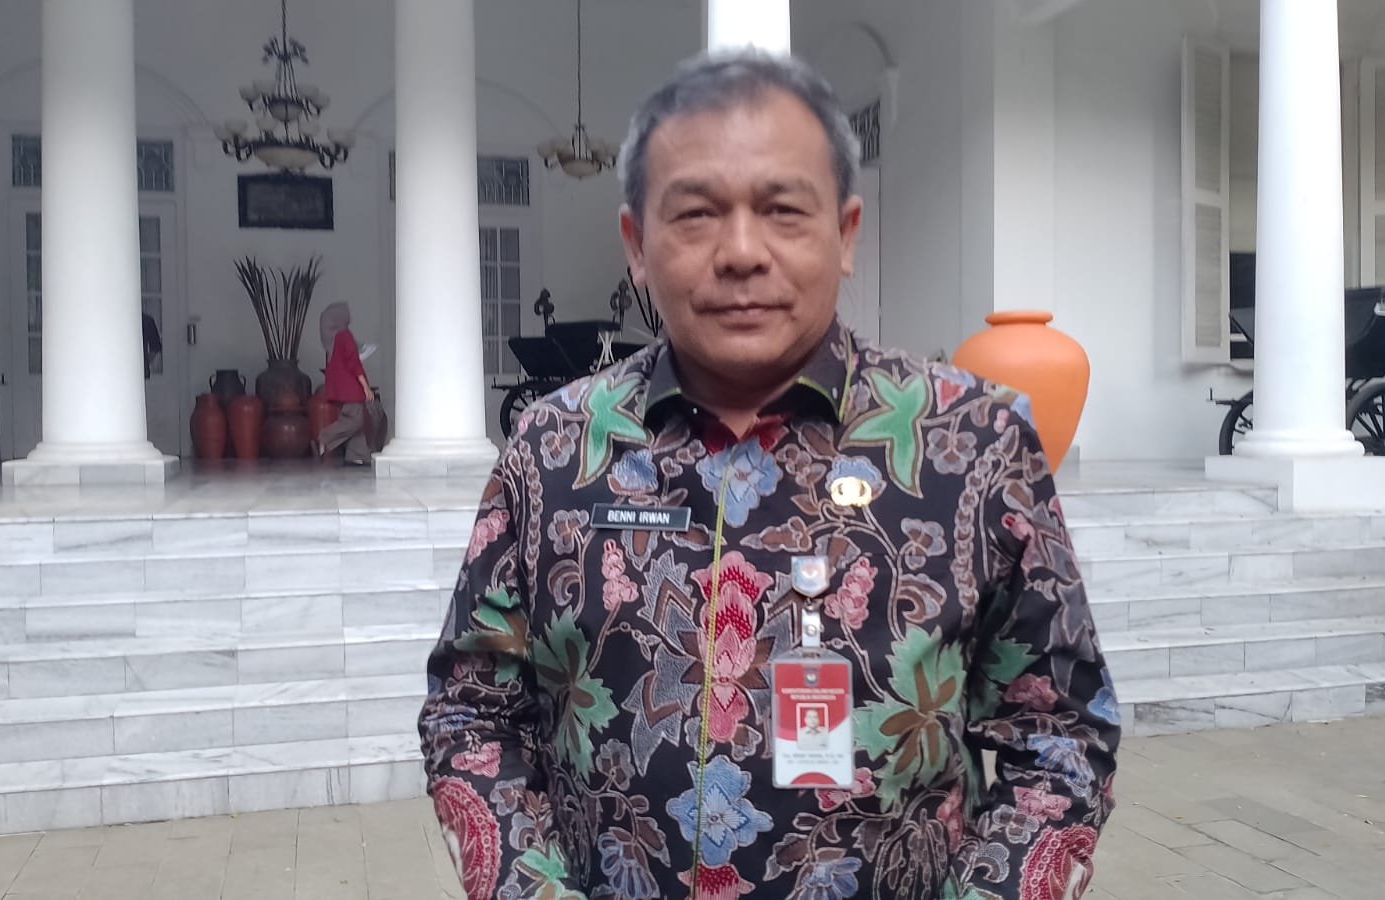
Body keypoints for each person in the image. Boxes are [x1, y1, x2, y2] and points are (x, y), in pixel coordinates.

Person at [419, 51, 1119, 900]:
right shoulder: (552, 449)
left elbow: (1059, 734)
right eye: (697, 214)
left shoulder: (973, 442)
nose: (742, 252)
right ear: (637, 245)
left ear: (846, 233)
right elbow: (473, 715)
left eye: (783, 210)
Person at [313, 301, 372, 466]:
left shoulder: (333, 339)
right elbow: (354, 363)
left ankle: (356, 455)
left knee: (356, 421)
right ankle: (325, 438)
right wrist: (366, 387)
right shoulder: (345, 336)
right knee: (355, 420)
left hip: (341, 389)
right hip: (350, 389)